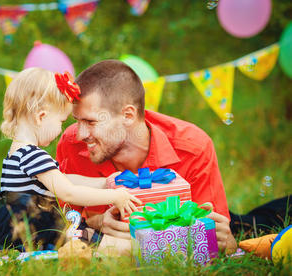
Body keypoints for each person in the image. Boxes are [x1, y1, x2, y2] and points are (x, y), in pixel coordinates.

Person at [56, 60, 238, 253]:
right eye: (78, 121)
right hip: (111, 249)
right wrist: (100, 222)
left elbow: (223, 240)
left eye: (91, 122)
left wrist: (221, 239)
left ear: (127, 115)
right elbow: (64, 225)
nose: (80, 134)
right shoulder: (72, 144)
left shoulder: (192, 148)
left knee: (256, 222)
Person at [0, 67, 141, 257]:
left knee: (93, 237)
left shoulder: (17, 151)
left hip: (20, 226)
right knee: (112, 245)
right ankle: (147, 249)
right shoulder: (33, 155)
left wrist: (104, 182)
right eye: (61, 121)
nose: (61, 130)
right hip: (36, 230)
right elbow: (68, 192)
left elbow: (63, 178)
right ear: (41, 116)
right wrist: (114, 196)